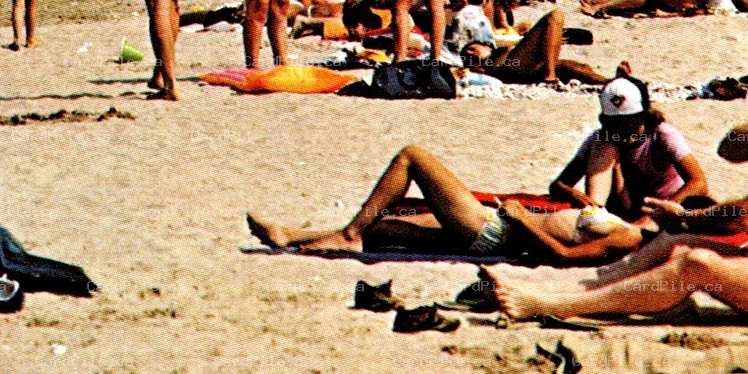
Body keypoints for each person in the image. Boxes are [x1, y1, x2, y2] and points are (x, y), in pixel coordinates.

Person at [487, 16, 748, 331]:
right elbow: (728, 148)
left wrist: (687, 216)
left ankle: (555, 305)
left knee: (694, 264)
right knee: (671, 244)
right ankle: (573, 288)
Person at [245, 144, 650, 265]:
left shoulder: (625, 238)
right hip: (496, 225)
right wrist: (573, 197)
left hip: (497, 231)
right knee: (386, 223)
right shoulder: (623, 220)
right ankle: (290, 235)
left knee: (412, 157)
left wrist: (523, 219)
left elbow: (562, 256)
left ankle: (349, 236)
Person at [547, 73, 708, 219]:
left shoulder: (662, 134)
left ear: (645, 115)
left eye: (629, 126)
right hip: (625, 207)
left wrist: (664, 208)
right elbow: (558, 185)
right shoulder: (602, 139)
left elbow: (699, 182)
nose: (624, 133)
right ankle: (596, 216)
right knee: (603, 145)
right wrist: (572, 194)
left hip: (665, 207)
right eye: (616, 127)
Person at [448, 0, 610, 84]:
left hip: (509, 63)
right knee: (555, 16)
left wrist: (516, 33)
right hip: (499, 66)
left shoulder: (470, 17)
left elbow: (486, 38)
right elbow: (466, 51)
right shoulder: (463, 18)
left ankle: (612, 82)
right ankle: (550, 76)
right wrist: (518, 40)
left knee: (573, 67)